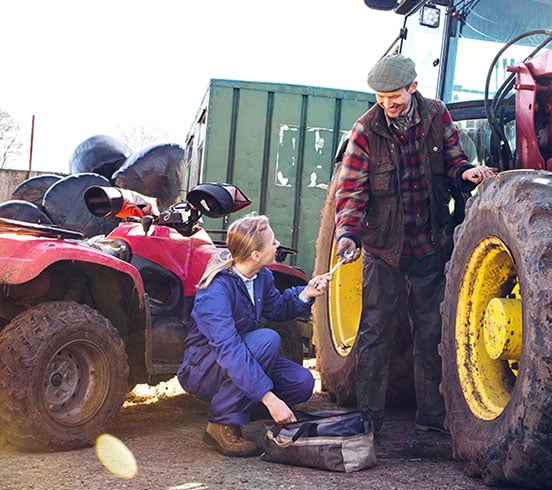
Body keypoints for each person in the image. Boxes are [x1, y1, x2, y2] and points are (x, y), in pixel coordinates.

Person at [334, 53, 495, 435]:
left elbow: (455, 162)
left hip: (428, 244)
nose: (388, 105)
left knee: (432, 329)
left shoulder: (438, 116)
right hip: (384, 250)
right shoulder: (365, 131)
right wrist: (346, 234)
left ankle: (432, 418)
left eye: (395, 97)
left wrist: (467, 172)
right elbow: (352, 191)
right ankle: (369, 419)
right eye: (380, 98)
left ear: (414, 88)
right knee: (375, 332)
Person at [177, 214, 332, 457]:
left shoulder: (261, 277)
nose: (277, 244)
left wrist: (307, 292)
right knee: (267, 340)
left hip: (238, 357)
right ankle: (220, 423)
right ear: (255, 255)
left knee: (301, 382)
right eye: (272, 242)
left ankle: (241, 409)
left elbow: (278, 308)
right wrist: (270, 399)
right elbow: (230, 351)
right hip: (204, 368)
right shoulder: (215, 290)